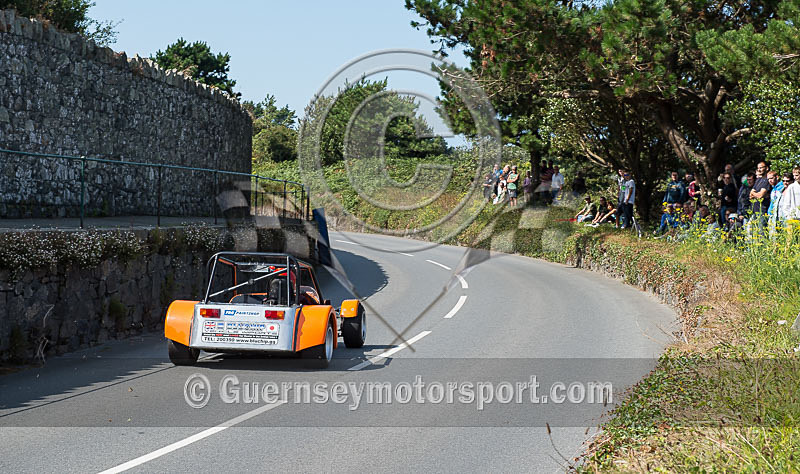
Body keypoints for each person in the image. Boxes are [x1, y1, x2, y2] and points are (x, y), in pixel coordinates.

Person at [749, 161, 772, 228]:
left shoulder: (767, 180)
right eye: (758, 168)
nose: (759, 169)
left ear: (766, 168)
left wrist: (755, 194)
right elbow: (750, 195)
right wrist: (755, 194)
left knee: (762, 233)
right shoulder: (758, 180)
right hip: (755, 211)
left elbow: (760, 195)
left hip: (762, 211)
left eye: (761, 168)